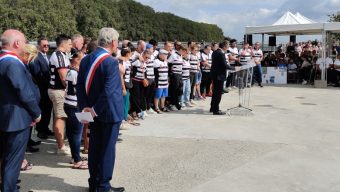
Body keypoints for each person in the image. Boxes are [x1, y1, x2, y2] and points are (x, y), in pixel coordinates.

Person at [76, 27, 125, 192]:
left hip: (90, 111)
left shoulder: (85, 59)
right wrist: (94, 111)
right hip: (108, 112)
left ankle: (94, 183)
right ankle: (103, 186)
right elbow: (109, 92)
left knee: (95, 148)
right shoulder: (111, 61)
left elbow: (80, 88)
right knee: (107, 149)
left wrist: (86, 109)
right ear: (113, 42)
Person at [0, 29, 41, 192]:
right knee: (13, 161)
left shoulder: (4, 60)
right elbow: (23, 91)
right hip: (16, 119)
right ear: (17, 43)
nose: (26, 45)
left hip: (7, 117)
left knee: (7, 158)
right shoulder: (12, 62)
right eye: (24, 41)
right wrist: (36, 112)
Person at [48, 34, 72, 155]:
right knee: (60, 117)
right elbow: (64, 77)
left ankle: (60, 142)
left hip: (57, 89)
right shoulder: (59, 56)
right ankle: (61, 147)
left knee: (59, 116)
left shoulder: (60, 55)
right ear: (63, 44)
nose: (71, 46)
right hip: (58, 90)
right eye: (69, 44)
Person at [64, 49, 88, 169]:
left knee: (75, 131)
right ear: (77, 59)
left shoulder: (72, 71)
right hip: (75, 105)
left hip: (73, 104)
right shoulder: (74, 72)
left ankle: (75, 156)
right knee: (76, 133)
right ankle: (77, 159)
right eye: (82, 58)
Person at [30, 37, 54, 140]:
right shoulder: (36, 57)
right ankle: (40, 130)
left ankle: (46, 128)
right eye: (44, 45)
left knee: (48, 109)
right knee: (42, 109)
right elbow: (37, 74)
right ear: (39, 46)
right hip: (41, 89)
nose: (46, 47)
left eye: (48, 45)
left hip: (49, 88)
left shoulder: (49, 57)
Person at [210, 41, 235, 115]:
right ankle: (216, 110)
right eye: (227, 46)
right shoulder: (221, 53)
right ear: (224, 46)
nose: (228, 47)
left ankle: (212, 108)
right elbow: (225, 65)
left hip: (215, 75)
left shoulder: (215, 52)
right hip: (219, 76)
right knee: (218, 94)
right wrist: (235, 68)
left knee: (215, 93)